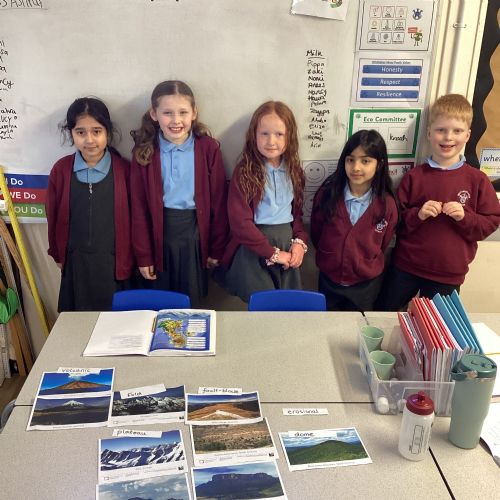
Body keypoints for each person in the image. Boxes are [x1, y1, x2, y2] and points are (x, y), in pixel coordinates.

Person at [377, 94, 500, 311]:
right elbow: (395, 220)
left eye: (457, 131)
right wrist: (418, 214)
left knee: (438, 327)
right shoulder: (415, 177)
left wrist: (465, 217)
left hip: (448, 274)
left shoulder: (477, 180)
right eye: (441, 130)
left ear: (468, 135)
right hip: (405, 266)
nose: (448, 137)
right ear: (429, 133)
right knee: (384, 314)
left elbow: (491, 222)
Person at [130, 80, 228, 306]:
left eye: (183, 112)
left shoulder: (208, 148)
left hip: (195, 235)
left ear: (194, 113)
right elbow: (138, 208)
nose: (176, 120)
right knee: (161, 302)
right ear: (154, 114)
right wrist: (144, 255)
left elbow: (219, 202)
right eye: (167, 113)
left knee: (191, 301)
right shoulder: (144, 152)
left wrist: (216, 248)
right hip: (159, 235)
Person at [46, 97, 133, 311]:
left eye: (96, 131)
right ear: (71, 134)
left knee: (115, 322)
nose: (90, 140)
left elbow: (137, 218)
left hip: (114, 264)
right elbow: (52, 214)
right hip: (76, 264)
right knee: (79, 322)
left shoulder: (124, 170)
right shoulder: (61, 170)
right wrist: (57, 252)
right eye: (81, 132)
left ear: (108, 133)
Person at [220, 101, 307, 302]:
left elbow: (297, 216)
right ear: (254, 135)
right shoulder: (245, 172)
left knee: (285, 303)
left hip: (286, 243)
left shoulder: (295, 172)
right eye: (264, 133)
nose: (271, 141)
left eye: (279, 134)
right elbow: (240, 223)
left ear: (290, 136)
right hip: (255, 247)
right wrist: (272, 253)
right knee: (262, 302)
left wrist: (299, 243)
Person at [310, 130, 398, 312]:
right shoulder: (327, 195)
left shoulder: (387, 204)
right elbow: (316, 233)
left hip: (365, 284)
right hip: (329, 279)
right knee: (327, 321)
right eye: (350, 160)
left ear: (379, 164)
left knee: (358, 324)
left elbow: (384, 241)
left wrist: (364, 260)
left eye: (365, 161)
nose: (356, 167)